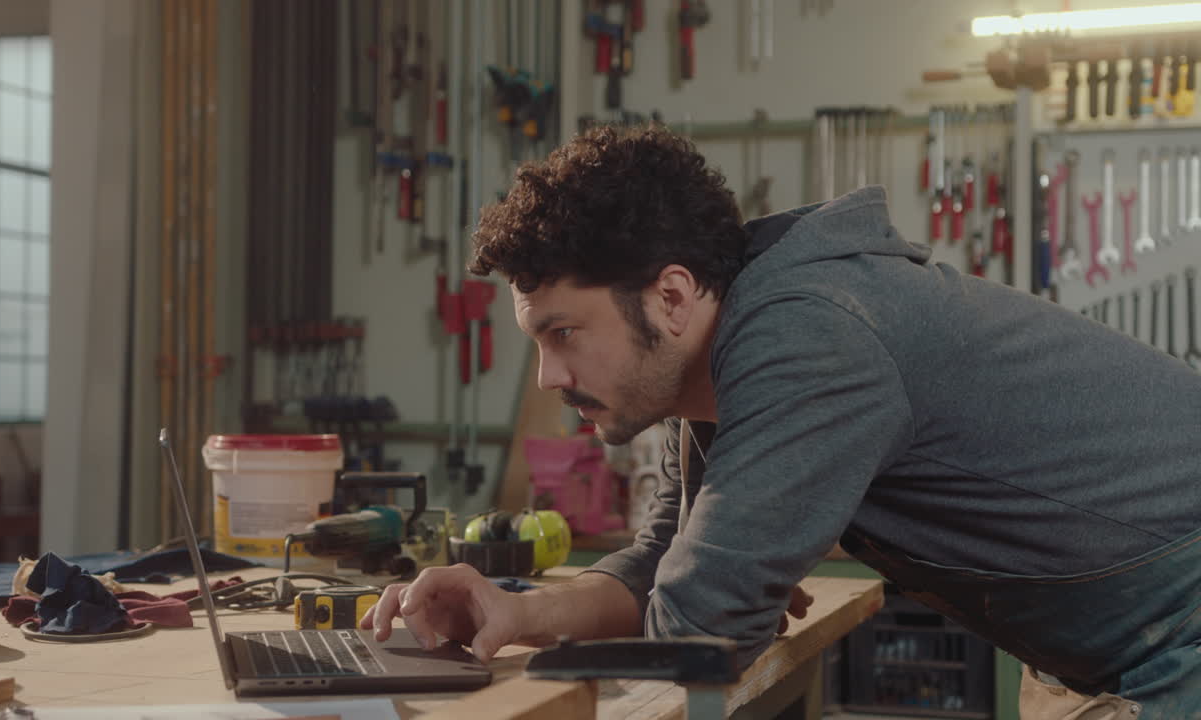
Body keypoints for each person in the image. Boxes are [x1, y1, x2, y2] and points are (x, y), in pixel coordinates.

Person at [361, 124, 1201, 718]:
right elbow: (667, 565)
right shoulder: (736, 351)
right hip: (1110, 647)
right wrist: (514, 611)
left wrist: (725, 590)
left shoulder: (808, 336)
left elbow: (701, 627)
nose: (550, 375)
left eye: (564, 334)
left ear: (673, 296)